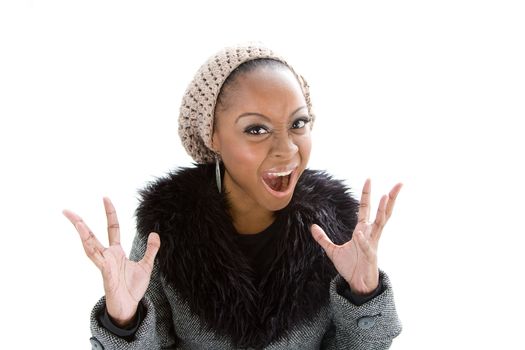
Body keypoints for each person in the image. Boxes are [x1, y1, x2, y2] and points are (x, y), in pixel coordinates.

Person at [64, 43, 403, 350]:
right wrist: (123, 322)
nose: (287, 151)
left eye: (298, 124)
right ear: (212, 135)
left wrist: (364, 296)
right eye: (256, 129)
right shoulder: (166, 231)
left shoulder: (337, 235)